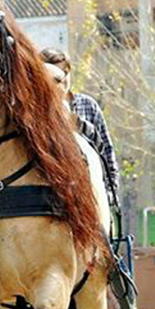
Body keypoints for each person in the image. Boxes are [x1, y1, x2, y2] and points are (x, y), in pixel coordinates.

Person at [40, 48, 120, 204]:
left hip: (90, 194)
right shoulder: (32, 111)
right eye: (55, 73)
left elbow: (107, 153)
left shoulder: (87, 105)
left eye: (66, 71)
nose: (62, 78)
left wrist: (111, 193)